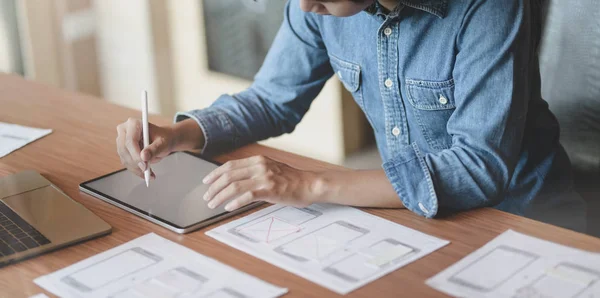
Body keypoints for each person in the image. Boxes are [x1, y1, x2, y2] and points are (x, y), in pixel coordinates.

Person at [116, 0, 585, 229]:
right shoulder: (318, 5)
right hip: (412, 218)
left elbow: (478, 168)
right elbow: (273, 98)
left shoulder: (488, 6)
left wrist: (310, 183)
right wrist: (177, 133)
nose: (302, 5)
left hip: (526, 221)